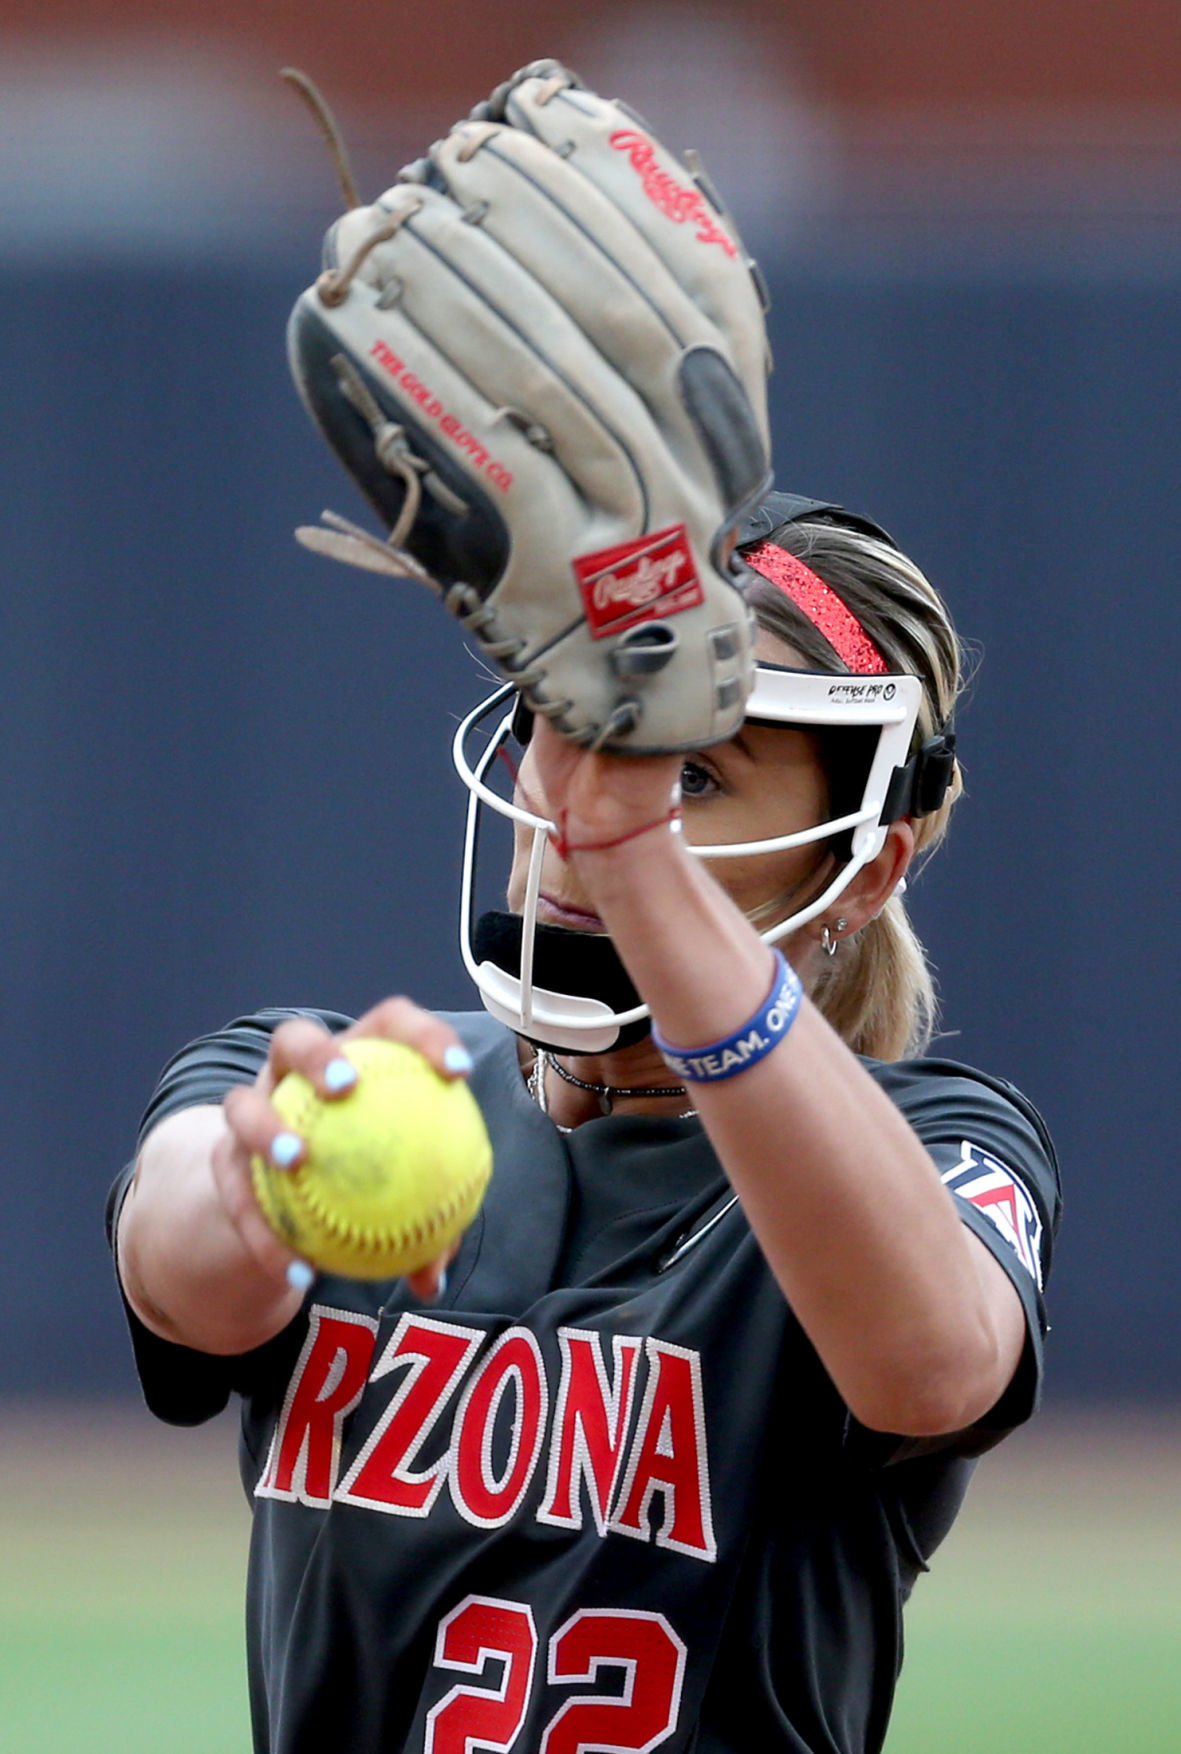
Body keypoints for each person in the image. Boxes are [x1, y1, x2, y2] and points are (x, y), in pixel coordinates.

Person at [108, 490, 1060, 1754]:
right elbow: (183, 1277)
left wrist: (638, 861)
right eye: (576, 736)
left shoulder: (933, 1142)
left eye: (694, 774)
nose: (580, 809)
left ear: (867, 865)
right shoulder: (335, 1083)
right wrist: (239, 1195)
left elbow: (932, 1362)